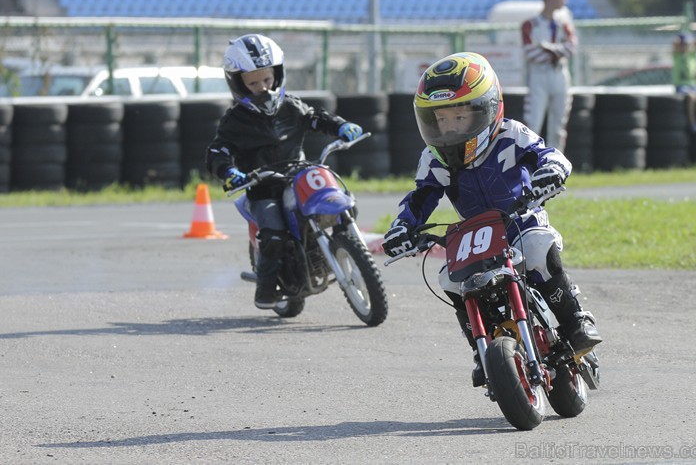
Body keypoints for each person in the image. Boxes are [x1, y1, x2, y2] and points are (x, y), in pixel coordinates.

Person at [381, 52, 601, 387]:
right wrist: (403, 227)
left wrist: (551, 172)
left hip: (520, 220)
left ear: (487, 107)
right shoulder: (435, 158)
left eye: (460, 116)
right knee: (450, 279)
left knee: (539, 248)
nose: (450, 127)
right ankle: (481, 347)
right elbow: (422, 197)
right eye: (442, 120)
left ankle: (575, 321)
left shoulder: (511, 134)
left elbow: (547, 155)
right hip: (476, 237)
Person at [206, 33, 363, 309]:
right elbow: (219, 151)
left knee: (338, 202)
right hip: (262, 187)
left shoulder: (291, 105)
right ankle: (266, 289)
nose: (262, 87)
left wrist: (340, 126)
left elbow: (315, 117)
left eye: (267, 79)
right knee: (274, 233)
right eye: (253, 83)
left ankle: (342, 246)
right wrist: (229, 172)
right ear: (237, 83)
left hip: (298, 177)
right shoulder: (234, 121)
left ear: (278, 75)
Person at [521, 0, 578, 152]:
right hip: (539, 76)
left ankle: (556, 165)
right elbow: (531, 53)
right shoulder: (530, 24)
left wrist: (549, 49)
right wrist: (556, 52)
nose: (564, 1)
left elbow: (572, 47)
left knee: (558, 125)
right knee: (533, 123)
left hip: (560, 75)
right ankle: (530, 164)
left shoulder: (563, 23)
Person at [672, 32, 696, 134]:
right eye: (684, 44)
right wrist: (679, 40)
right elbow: (674, 44)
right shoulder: (677, 55)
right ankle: (692, 122)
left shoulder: (692, 55)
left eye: (687, 44)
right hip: (682, 85)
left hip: (693, 84)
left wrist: (694, 40)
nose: (685, 47)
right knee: (692, 97)